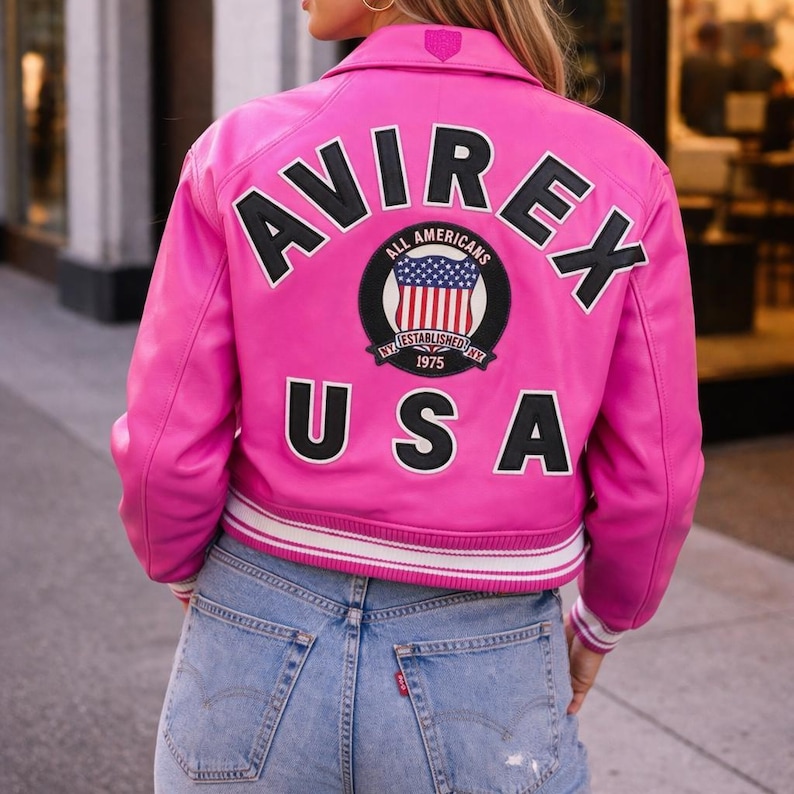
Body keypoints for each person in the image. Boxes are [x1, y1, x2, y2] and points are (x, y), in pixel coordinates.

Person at [111, 1, 704, 791]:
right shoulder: (626, 173)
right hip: (489, 643)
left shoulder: (243, 148)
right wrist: (604, 620)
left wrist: (183, 568)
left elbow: (165, 438)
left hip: (258, 608)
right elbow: (656, 467)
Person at [679, 20, 732, 135]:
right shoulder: (722, 65)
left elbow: (683, 96)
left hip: (691, 124)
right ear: (716, 38)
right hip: (716, 125)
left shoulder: (689, 63)